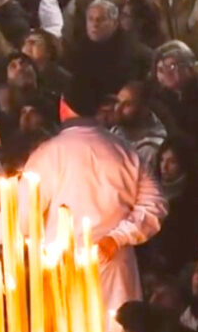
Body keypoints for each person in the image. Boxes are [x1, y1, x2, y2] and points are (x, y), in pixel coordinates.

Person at [22, 123, 166, 320]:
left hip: (72, 267)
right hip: (86, 266)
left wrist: (116, 239)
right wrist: (116, 238)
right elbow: (154, 206)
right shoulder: (124, 150)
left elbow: (22, 217)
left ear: (63, 105)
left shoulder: (49, 153)